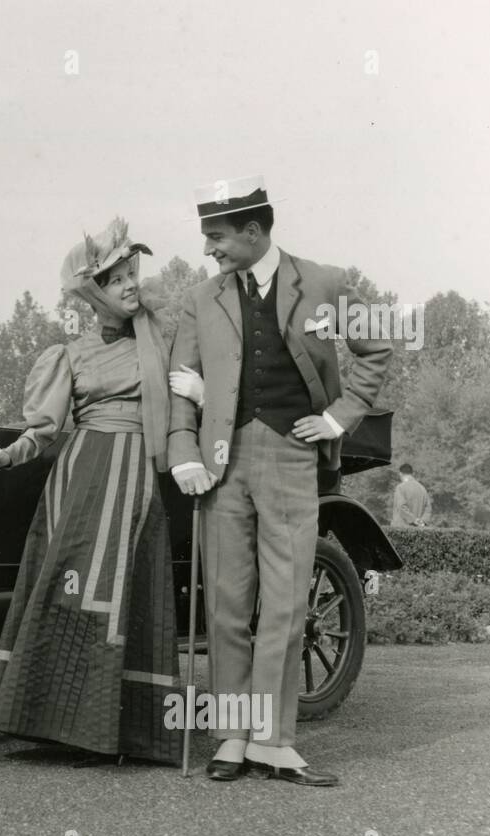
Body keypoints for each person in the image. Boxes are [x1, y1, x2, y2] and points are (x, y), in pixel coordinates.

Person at [168, 175, 392, 786]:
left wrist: (337, 417)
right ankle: (232, 738)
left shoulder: (324, 281)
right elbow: (178, 382)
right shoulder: (198, 298)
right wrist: (183, 450)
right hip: (220, 462)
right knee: (227, 607)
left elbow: (376, 350)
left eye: (217, 237)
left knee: (288, 607)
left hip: (295, 457)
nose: (209, 249)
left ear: (253, 230)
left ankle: (274, 743)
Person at [0, 218, 183, 764]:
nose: (132, 284)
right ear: (94, 294)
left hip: (137, 475)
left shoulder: (162, 335)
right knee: (74, 591)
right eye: (116, 280)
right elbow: (43, 429)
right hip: (84, 476)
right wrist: (5, 454)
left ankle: (126, 731)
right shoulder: (71, 354)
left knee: (128, 592)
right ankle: (62, 722)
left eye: (133, 273)